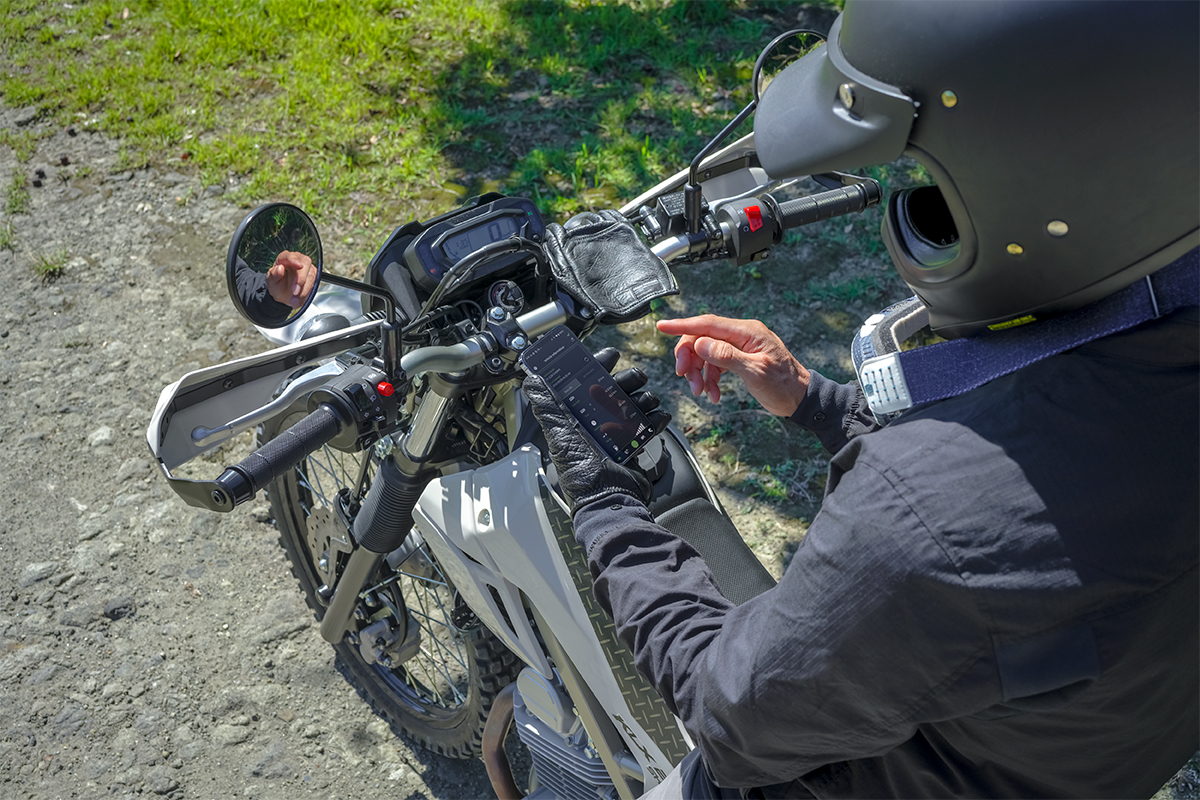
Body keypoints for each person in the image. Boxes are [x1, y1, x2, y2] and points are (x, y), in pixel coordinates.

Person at [524, 1, 1198, 797]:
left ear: (1035, 197)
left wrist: (603, 503)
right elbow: (1037, 494)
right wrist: (818, 402)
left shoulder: (918, 523)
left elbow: (725, 713)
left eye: (928, 188)